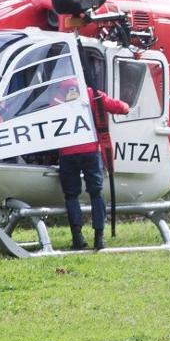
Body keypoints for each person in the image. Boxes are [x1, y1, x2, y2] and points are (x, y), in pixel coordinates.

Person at [56, 80, 129, 250]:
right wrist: (127, 106)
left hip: (67, 153)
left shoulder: (57, 96)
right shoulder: (93, 94)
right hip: (90, 151)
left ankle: (77, 238)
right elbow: (121, 107)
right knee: (96, 193)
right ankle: (99, 238)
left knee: (71, 195)